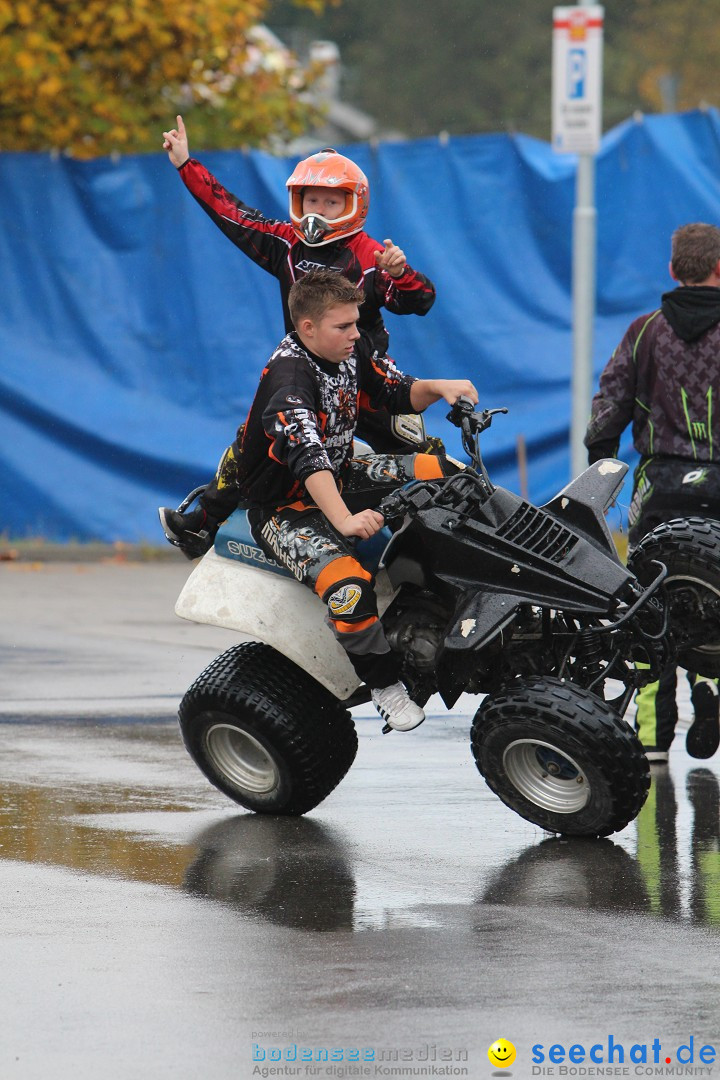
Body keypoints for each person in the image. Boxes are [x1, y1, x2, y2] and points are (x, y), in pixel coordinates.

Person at [192, 268, 477, 732]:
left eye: (355, 322)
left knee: (444, 471)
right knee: (347, 590)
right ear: (307, 329)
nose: (355, 334)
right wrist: (344, 520)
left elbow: (395, 389)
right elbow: (308, 461)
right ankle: (386, 687)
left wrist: (441, 386)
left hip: (343, 473)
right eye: (343, 326)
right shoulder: (289, 382)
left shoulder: (351, 346)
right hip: (286, 507)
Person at [160, 115, 438, 552]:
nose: (318, 212)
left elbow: (419, 301)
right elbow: (232, 214)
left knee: (425, 454)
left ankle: (435, 541)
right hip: (304, 374)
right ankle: (204, 522)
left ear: (354, 205)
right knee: (250, 442)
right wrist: (186, 164)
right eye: (311, 200)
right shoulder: (284, 242)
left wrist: (401, 274)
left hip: (365, 379)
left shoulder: (371, 255)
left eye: (331, 203)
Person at [584, 222, 720, 765]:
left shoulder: (645, 331)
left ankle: (651, 736)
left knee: (649, 599)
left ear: (672, 270)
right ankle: (711, 691)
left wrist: (601, 458)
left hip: (660, 484)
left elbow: (610, 400)